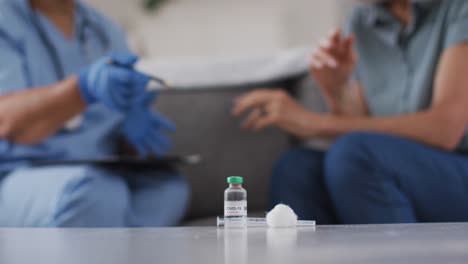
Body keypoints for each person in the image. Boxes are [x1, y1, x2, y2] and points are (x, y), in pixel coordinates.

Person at [233, 0, 468, 224]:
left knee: (355, 154)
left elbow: (446, 129)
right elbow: (368, 133)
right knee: (296, 169)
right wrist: (338, 90)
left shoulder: (459, 8)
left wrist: (315, 123)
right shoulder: (361, 22)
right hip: (404, 172)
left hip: (458, 170)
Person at [0, 0, 189, 227]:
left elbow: (108, 133)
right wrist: (82, 89)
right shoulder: (6, 19)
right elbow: (6, 121)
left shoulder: (105, 30)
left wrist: (131, 129)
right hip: (16, 175)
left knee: (167, 190)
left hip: (97, 172)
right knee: (94, 194)